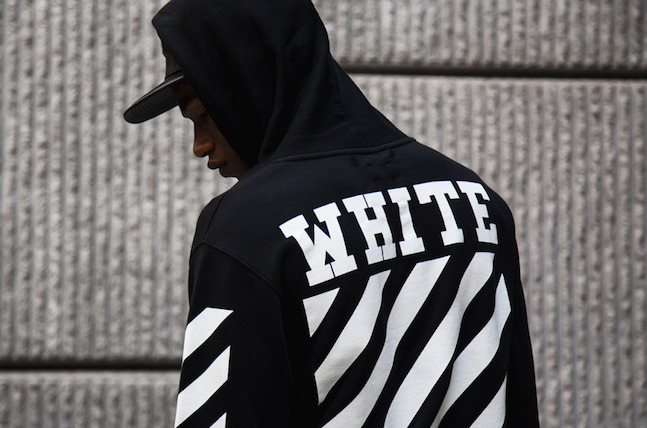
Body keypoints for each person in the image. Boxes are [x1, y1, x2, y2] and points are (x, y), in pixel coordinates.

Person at [124, 0, 540, 426]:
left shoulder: (245, 232)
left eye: (204, 115)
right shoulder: (478, 204)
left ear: (247, 85)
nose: (200, 146)